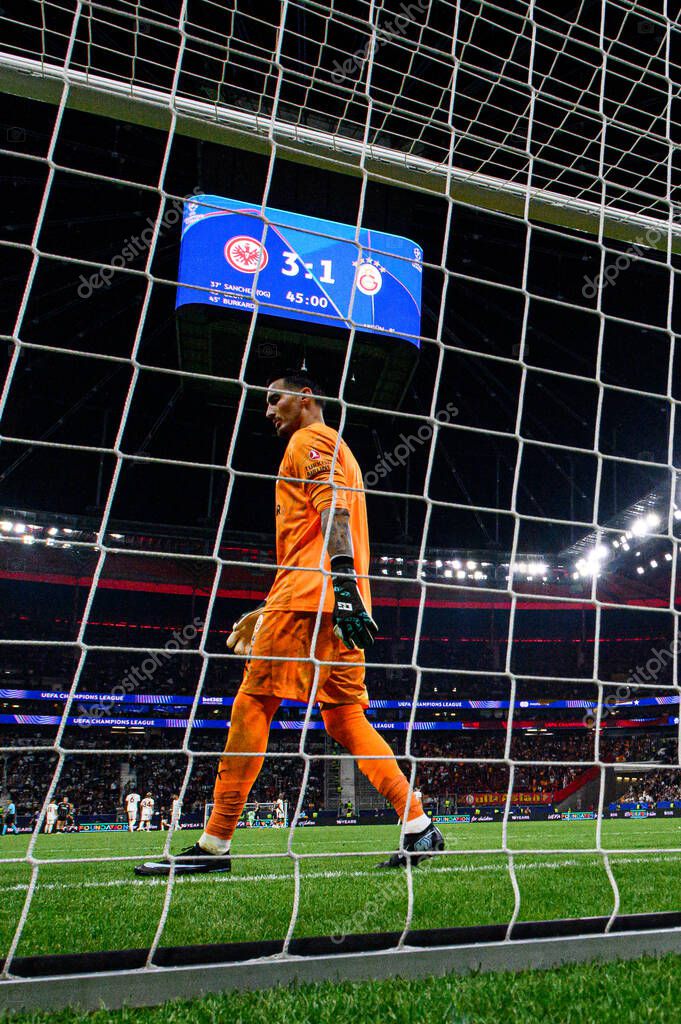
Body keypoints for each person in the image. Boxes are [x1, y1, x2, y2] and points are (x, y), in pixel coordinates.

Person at [136, 372, 443, 877]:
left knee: (253, 701)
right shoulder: (338, 448)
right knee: (344, 718)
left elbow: (333, 512)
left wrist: (337, 586)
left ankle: (215, 843)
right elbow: (313, 534)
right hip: (333, 602)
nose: (267, 409)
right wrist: (287, 601)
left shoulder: (311, 439)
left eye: (273, 398)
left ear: (306, 396)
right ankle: (418, 825)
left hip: (315, 598)